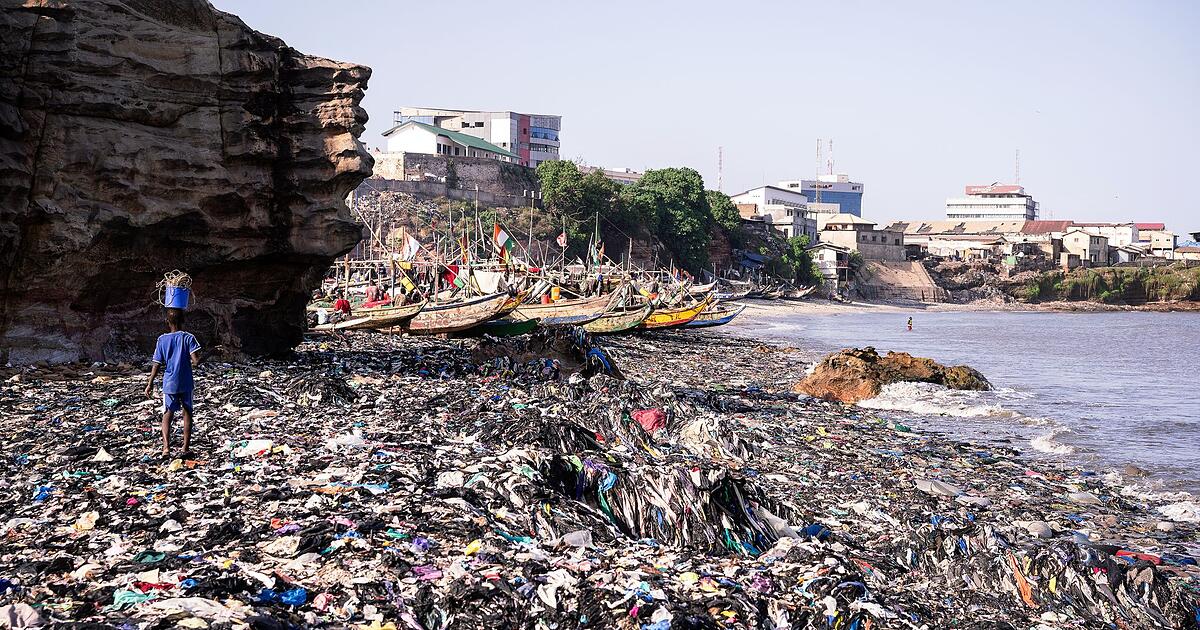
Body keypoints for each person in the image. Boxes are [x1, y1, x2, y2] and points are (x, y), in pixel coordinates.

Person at [144, 308, 201, 456]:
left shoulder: (162, 340)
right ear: (183, 320)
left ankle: (166, 448)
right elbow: (196, 362)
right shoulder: (188, 338)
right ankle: (185, 448)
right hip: (186, 382)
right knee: (187, 413)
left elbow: (156, 364)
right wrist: (212, 352)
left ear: (167, 322)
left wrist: (150, 383)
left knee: (167, 414)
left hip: (169, 383)